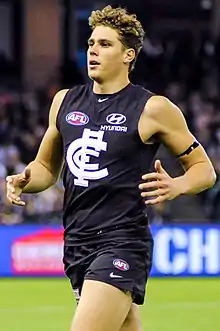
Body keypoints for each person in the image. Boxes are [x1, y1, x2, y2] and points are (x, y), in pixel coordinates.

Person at [6, 5, 216, 331]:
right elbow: (46, 166)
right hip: (76, 241)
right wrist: (25, 179)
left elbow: (205, 170)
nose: (93, 50)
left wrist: (178, 185)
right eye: (91, 43)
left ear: (128, 55)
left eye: (105, 44)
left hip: (122, 241)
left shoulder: (153, 109)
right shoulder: (64, 101)